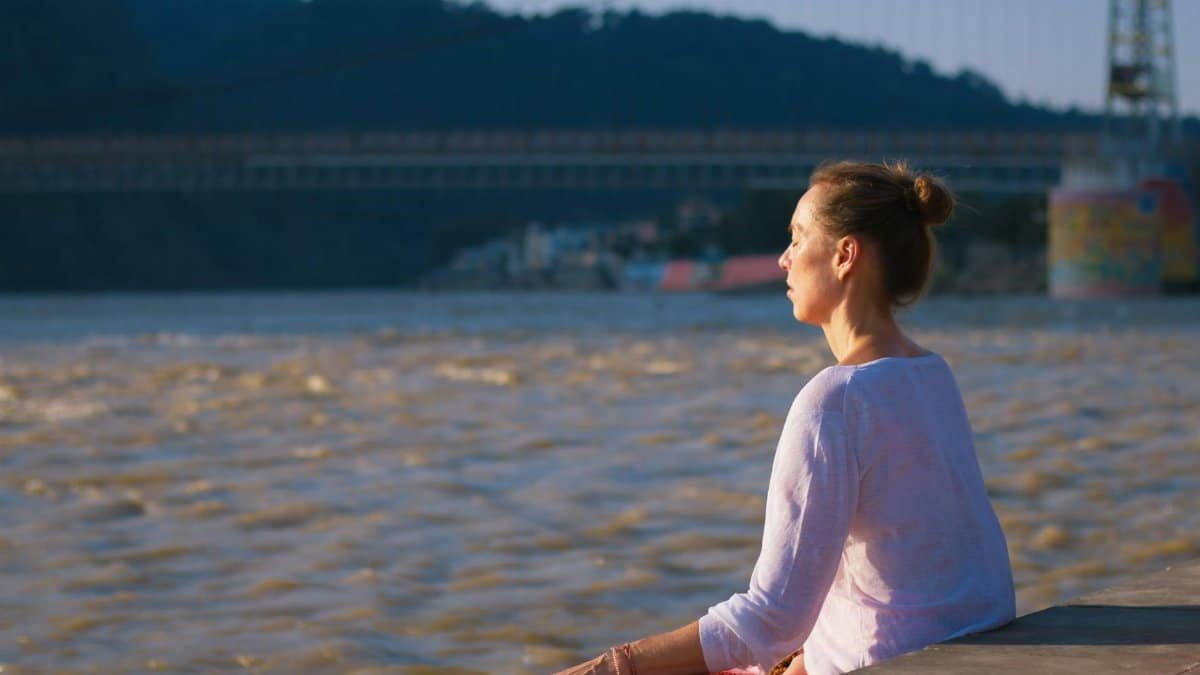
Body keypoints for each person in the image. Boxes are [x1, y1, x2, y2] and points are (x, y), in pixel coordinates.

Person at [552, 161, 1016, 675]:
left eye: (797, 238)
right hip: (966, 649)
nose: (783, 259)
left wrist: (615, 666)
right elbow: (905, 576)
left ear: (844, 255)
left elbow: (772, 619)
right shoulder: (932, 374)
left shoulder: (835, 400)